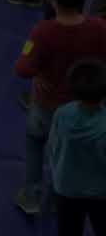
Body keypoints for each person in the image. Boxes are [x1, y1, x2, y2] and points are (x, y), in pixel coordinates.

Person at [13, 0, 106, 215]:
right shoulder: (99, 28)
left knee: (35, 142)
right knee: (74, 150)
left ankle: (32, 196)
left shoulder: (43, 32)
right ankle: (63, 190)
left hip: (47, 104)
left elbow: (23, 68)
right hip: (89, 105)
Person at [48, 60, 106, 236]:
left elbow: (52, 146)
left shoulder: (62, 113)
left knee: (68, 231)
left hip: (65, 188)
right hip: (100, 192)